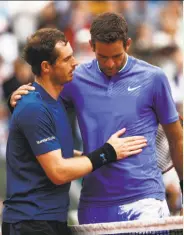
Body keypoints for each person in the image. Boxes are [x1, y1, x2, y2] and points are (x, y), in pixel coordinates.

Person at [9, 12, 183, 224]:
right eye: (103, 57)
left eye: (116, 56)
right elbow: (41, 110)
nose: (110, 64)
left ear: (128, 44)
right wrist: (18, 99)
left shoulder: (154, 78)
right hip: (94, 203)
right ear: (92, 46)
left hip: (145, 201)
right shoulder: (74, 79)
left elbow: (177, 138)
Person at [1, 28, 148, 235]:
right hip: (29, 223)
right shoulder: (34, 107)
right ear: (46, 67)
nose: (75, 63)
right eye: (67, 59)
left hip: (49, 221)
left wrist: (111, 154)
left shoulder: (54, 101)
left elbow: (62, 155)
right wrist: (106, 153)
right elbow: (59, 172)